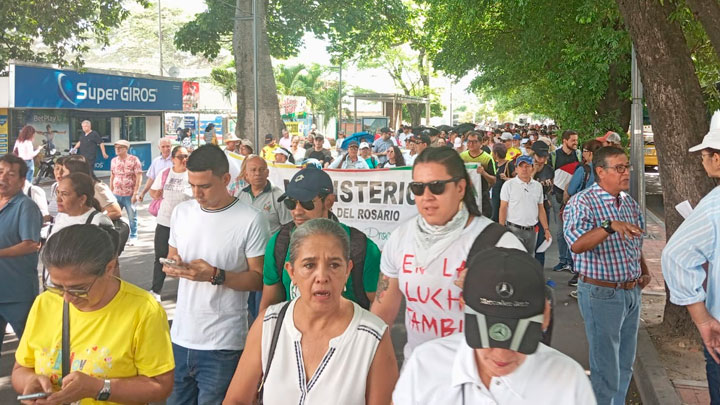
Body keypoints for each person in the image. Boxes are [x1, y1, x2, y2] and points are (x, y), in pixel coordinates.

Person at [371, 147, 525, 360]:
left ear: (461, 188)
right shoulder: (400, 238)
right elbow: (382, 312)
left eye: (437, 186)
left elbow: (528, 320)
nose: (427, 196)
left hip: (478, 383)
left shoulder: (500, 244)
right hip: (418, 379)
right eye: (418, 188)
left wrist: (490, 293)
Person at [223, 218, 398, 404]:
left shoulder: (371, 337)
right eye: (309, 265)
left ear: (348, 270)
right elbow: (236, 400)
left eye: (334, 265)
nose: (322, 277)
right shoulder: (269, 325)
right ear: (291, 272)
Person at [393, 248, 595, 404]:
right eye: (487, 335)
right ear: (462, 306)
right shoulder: (424, 365)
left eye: (519, 337)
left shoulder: (569, 383)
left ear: (546, 315)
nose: (501, 355)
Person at [13, 225, 175, 404]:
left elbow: (161, 386)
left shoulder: (144, 310)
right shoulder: (45, 302)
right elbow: (21, 368)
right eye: (58, 286)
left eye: (79, 288)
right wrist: (30, 382)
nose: (67, 298)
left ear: (109, 268)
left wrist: (99, 388)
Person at [162, 145, 270, 404]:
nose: (197, 194)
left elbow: (258, 279)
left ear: (225, 180)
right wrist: (174, 265)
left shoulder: (251, 219)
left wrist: (216, 275)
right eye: (192, 186)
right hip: (180, 336)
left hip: (223, 343)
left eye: (205, 186)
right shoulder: (182, 213)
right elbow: (173, 254)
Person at [563, 146, 651, 404]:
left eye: (627, 167)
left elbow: (635, 241)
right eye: (619, 168)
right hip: (601, 293)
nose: (626, 173)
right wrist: (608, 226)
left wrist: (643, 271)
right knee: (605, 370)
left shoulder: (628, 202)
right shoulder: (583, 202)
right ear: (600, 171)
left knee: (625, 364)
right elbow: (577, 244)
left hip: (631, 291)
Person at [259, 167, 381, 311]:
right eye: (291, 203)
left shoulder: (362, 248)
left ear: (329, 202)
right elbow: (269, 307)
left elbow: (381, 307)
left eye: (307, 203)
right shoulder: (278, 245)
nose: (297, 211)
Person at [662, 110, 720, 404]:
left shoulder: (714, 207)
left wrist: (703, 320)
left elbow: (676, 257)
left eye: (705, 154)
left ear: (717, 158)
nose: (702, 159)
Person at [0, 155, 42, 354]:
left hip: (17, 293)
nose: (3, 178)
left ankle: (40, 385)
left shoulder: (26, 207)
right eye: (0, 172)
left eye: (10, 175)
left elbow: (31, 244)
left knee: (33, 349)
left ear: (21, 180)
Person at [148, 146, 192, 302]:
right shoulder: (165, 173)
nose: (184, 160)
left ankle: (185, 292)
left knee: (185, 258)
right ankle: (156, 290)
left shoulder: (192, 175)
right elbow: (153, 192)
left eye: (187, 156)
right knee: (160, 257)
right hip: (165, 222)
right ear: (173, 159)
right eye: (181, 157)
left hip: (186, 225)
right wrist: (156, 193)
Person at [499, 155, 551, 254]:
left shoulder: (537, 186)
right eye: (521, 166)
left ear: (532, 168)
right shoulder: (508, 185)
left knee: (529, 260)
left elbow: (540, 208)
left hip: (532, 230)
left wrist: (546, 229)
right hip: (513, 228)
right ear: (516, 169)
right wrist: (502, 228)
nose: (524, 169)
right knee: (516, 260)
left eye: (527, 166)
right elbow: (503, 207)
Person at [551, 130, 581, 273]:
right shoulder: (554, 156)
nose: (575, 142)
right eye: (573, 140)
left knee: (573, 229)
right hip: (557, 197)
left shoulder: (579, 155)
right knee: (561, 231)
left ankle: (572, 261)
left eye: (576, 140)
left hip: (575, 198)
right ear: (564, 140)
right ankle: (563, 260)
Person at [109, 139, 142, 245]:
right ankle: (112, 235)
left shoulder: (134, 160)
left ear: (126, 149)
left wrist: (136, 192)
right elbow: (112, 176)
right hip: (116, 193)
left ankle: (133, 236)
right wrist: (110, 191)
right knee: (113, 215)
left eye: (120, 148)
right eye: (116, 148)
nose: (117, 150)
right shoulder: (114, 161)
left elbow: (138, 176)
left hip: (129, 194)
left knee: (132, 216)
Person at [460, 131, 496, 218]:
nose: (471, 144)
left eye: (474, 141)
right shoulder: (462, 156)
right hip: (466, 195)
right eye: (469, 141)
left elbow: (493, 180)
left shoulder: (487, 158)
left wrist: (484, 173)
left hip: (482, 195)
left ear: (481, 143)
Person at [530, 141, 554, 267]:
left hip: (543, 208)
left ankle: (539, 271)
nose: (542, 160)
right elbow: (524, 186)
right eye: (539, 156)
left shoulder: (549, 169)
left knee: (541, 243)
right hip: (528, 210)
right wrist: (533, 172)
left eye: (544, 157)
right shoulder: (525, 168)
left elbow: (550, 186)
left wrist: (547, 197)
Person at [137, 138, 173, 203]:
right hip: (158, 195)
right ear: (159, 148)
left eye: (168, 146)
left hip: (173, 195)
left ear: (171, 146)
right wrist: (143, 193)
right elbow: (151, 179)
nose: (165, 149)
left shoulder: (176, 160)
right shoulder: (156, 161)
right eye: (163, 147)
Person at [490, 143, 515, 222]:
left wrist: (506, 178)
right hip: (495, 194)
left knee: (503, 214)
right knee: (495, 214)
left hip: (505, 194)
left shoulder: (509, 164)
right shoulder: (495, 164)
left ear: (496, 154)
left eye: (493, 152)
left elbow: (517, 179)